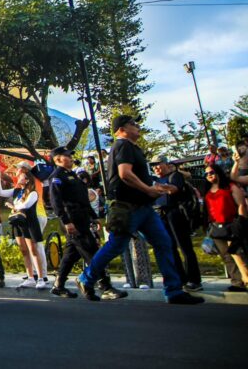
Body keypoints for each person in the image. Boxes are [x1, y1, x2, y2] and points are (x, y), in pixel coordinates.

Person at [76, 115, 203, 304]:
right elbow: (125, 174)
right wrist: (149, 189)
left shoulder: (133, 148)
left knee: (164, 243)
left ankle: (174, 290)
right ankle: (86, 278)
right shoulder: (123, 146)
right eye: (133, 124)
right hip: (129, 208)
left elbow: (137, 176)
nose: (137, 126)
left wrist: (156, 187)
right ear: (121, 129)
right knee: (116, 246)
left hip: (145, 208)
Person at [48, 146, 124, 300]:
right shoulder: (57, 177)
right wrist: (66, 221)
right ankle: (105, 286)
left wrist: (93, 216)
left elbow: (82, 199)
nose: (70, 158)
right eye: (67, 156)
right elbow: (56, 202)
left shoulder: (73, 175)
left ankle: (59, 285)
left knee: (71, 254)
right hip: (72, 219)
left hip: (81, 217)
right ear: (58, 159)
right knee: (91, 251)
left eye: (70, 156)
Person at [151, 156, 202, 292]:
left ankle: (194, 280)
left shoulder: (174, 176)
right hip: (160, 214)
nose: (155, 167)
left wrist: (158, 187)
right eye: (153, 165)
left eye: (158, 164)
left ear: (166, 164)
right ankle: (180, 278)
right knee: (170, 248)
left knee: (185, 247)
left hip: (175, 213)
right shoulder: (155, 179)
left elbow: (174, 189)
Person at [0, 165, 46, 289]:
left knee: (33, 250)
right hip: (18, 223)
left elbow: (26, 205)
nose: (18, 177)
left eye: (21, 176)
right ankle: (30, 277)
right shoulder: (17, 190)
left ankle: (40, 278)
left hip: (29, 223)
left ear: (27, 179)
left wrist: (12, 206)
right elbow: (0, 192)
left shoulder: (33, 192)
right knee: (24, 250)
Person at [203, 163, 248, 292]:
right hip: (216, 226)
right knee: (226, 256)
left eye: (211, 172)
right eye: (206, 174)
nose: (209, 175)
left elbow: (241, 204)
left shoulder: (230, 186)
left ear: (218, 172)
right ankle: (237, 282)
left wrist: (241, 222)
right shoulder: (207, 189)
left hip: (232, 224)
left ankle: (246, 278)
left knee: (238, 253)